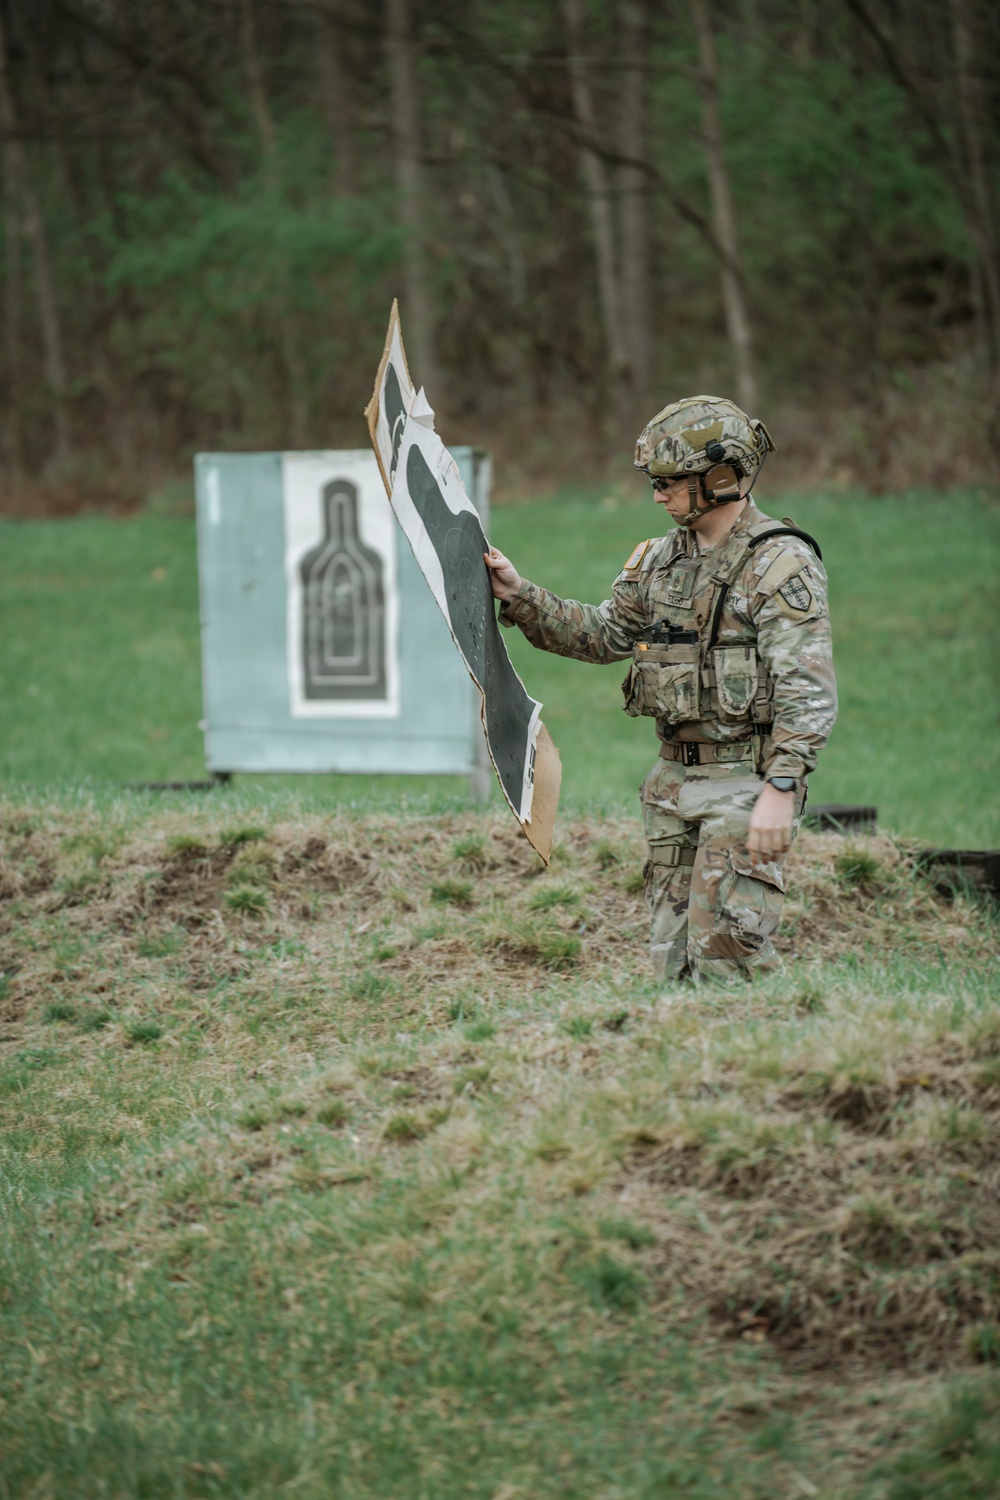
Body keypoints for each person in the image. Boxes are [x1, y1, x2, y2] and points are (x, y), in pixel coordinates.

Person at [484, 395, 837, 984]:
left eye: (670, 482)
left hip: (742, 787)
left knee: (729, 964)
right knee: (670, 970)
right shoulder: (658, 560)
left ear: (721, 478)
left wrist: (782, 786)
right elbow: (602, 634)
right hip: (670, 789)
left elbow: (807, 686)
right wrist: (520, 595)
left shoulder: (779, 563)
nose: (657, 495)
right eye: (656, 482)